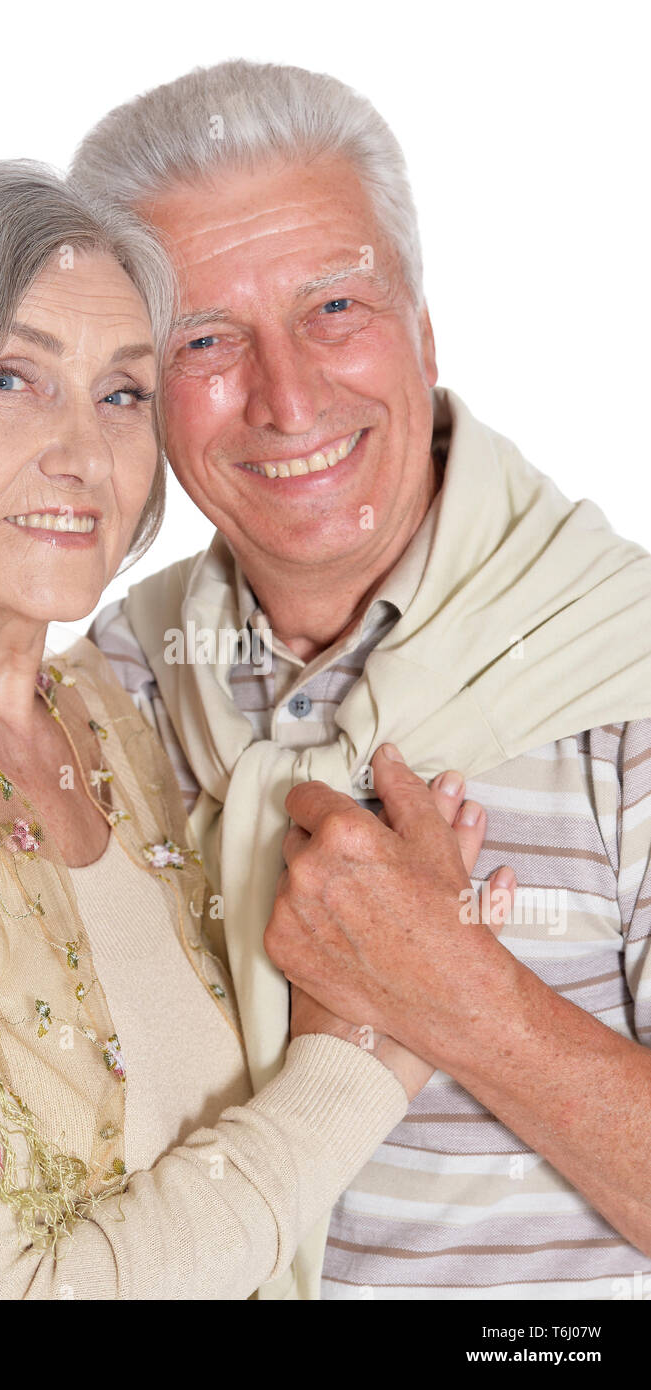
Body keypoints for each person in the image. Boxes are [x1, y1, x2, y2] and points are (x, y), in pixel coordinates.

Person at [0, 159, 504, 1300]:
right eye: (9, 379)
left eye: (123, 393)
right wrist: (373, 1047)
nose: (85, 456)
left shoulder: (104, 715)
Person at [74, 60, 651, 1299]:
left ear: (424, 331)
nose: (286, 399)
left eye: (334, 306)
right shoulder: (101, 699)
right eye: (206, 340)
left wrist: (452, 994)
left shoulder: (629, 670)